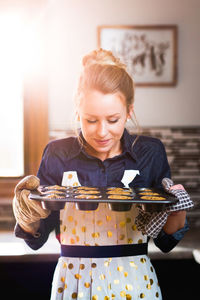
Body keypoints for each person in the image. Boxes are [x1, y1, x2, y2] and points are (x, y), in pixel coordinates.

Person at [13, 48, 190, 300]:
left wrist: (178, 208)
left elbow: (165, 242)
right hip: (73, 284)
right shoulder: (57, 153)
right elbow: (36, 240)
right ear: (78, 113)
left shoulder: (150, 152)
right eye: (91, 120)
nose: (102, 132)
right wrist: (28, 218)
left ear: (129, 111)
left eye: (113, 119)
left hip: (135, 284)